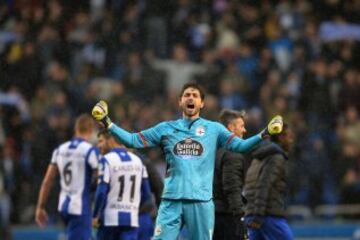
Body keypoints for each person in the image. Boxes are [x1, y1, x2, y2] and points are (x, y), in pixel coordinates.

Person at [91, 82, 283, 240]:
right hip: (171, 201)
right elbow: (132, 140)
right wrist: (107, 122)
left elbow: (240, 146)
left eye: (195, 95)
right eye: (187, 95)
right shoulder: (166, 128)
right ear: (180, 102)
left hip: (201, 202)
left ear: (202, 104)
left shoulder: (214, 129)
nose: (191, 97)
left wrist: (264, 133)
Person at [35, 114, 99, 240]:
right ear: (91, 130)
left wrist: (40, 207)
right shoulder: (89, 151)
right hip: (80, 207)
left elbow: (47, 180)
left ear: (76, 129)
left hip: (64, 206)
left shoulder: (60, 150)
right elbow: (102, 177)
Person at [93, 130, 152, 240]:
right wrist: (133, 208)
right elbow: (147, 194)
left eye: (101, 141)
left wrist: (96, 215)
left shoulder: (106, 160)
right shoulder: (138, 161)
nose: (98, 145)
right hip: (131, 220)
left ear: (110, 140)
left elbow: (101, 192)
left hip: (109, 221)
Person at [244, 123, 295, 240]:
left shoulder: (257, 157)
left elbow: (250, 187)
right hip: (268, 215)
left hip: (252, 213)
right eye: (289, 136)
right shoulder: (276, 157)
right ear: (281, 137)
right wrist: (259, 216)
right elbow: (264, 185)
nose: (291, 140)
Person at [213, 109, 248, 240]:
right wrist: (240, 217)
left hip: (209, 214)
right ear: (231, 128)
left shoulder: (212, 150)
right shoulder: (232, 153)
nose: (244, 130)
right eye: (241, 126)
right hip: (226, 217)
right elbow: (232, 187)